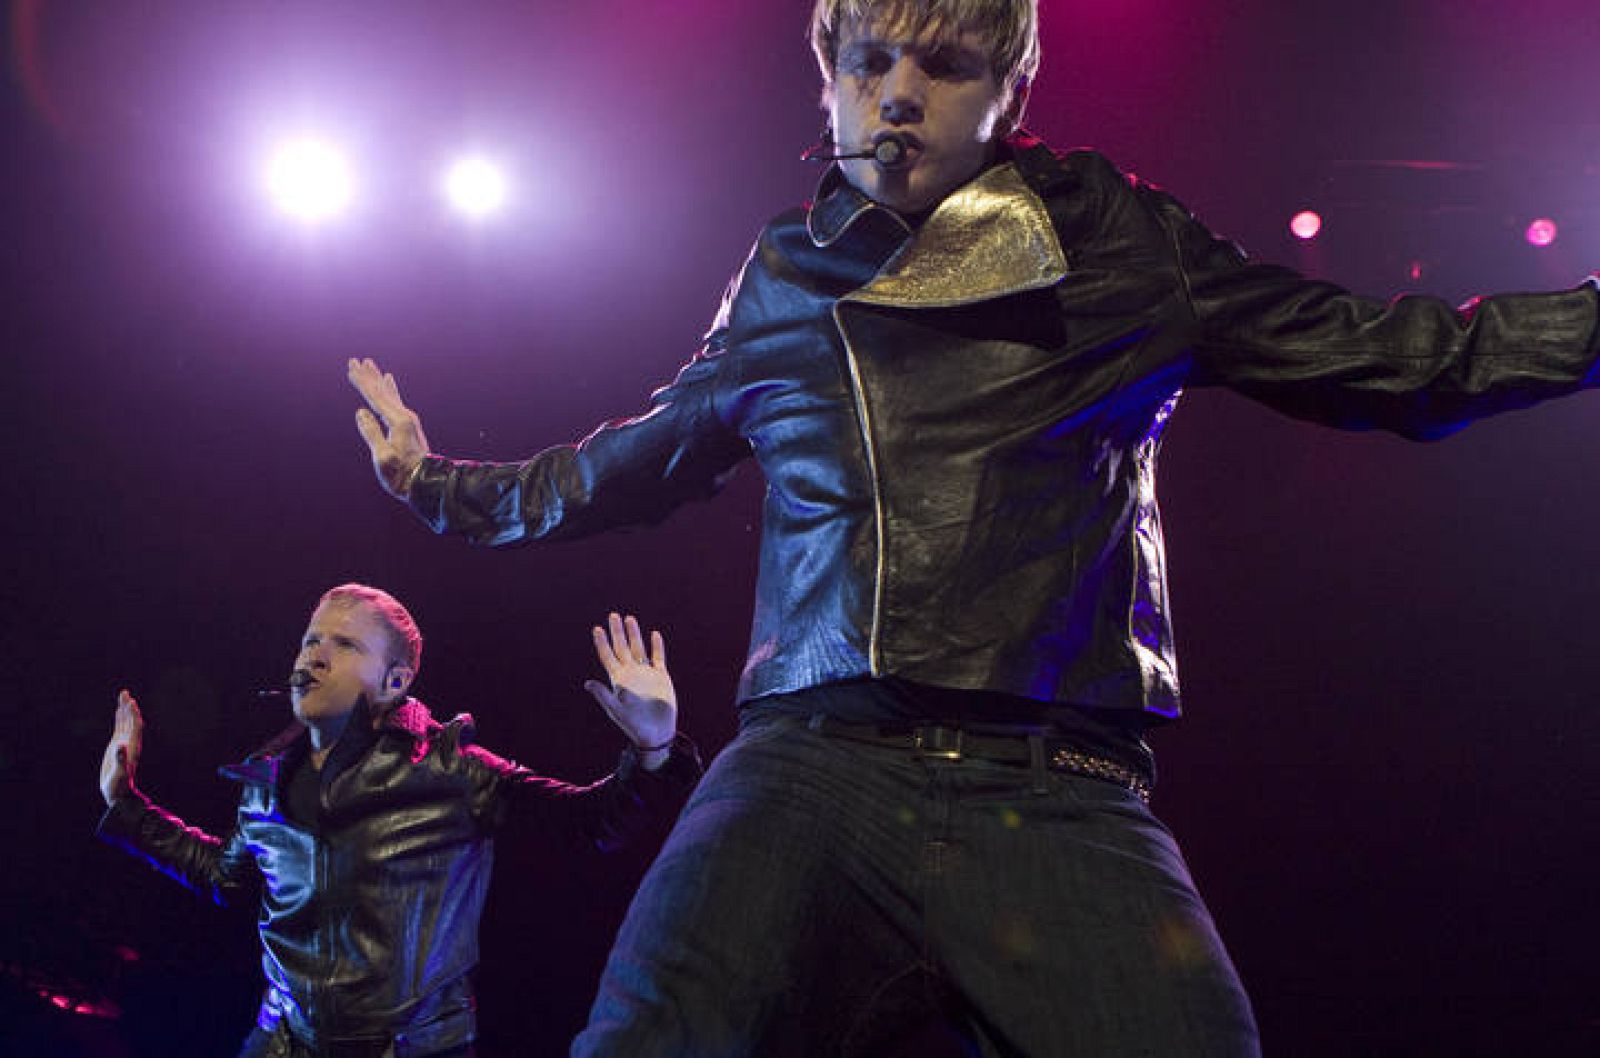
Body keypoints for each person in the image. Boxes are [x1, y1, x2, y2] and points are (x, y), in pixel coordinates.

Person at [346, 1, 1600, 1054]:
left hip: (1054, 785)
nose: (896, 96)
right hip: (811, 767)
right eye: (867, 64)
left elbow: (1390, 354)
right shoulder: (785, 273)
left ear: (1012, 85)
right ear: (826, 79)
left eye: (942, 65)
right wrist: (431, 481)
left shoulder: (1115, 239)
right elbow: (632, 462)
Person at [96, 584, 700, 1058]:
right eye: (310, 640)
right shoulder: (264, 784)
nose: (314, 654)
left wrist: (652, 751)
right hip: (282, 1042)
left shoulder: (451, 770)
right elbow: (223, 877)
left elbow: (590, 821)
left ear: (395, 680)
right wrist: (124, 802)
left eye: (344, 644)